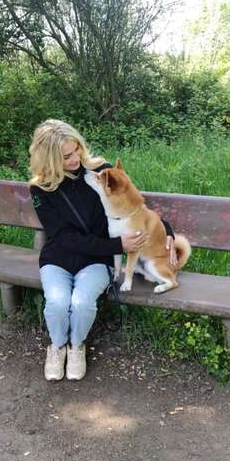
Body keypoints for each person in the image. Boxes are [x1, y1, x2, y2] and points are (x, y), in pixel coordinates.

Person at [29, 119, 177, 381]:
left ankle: (76, 347)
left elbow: (136, 209)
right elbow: (63, 238)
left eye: (76, 150)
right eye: (66, 156)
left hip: (97, 260)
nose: (75, 159)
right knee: (57, 302)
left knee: (82, 302)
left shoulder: (102, 172)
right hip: (60, 257)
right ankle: (57, 346)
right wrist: (117, 245)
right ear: (49, 159)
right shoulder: (41, 188)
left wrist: (168, 234)